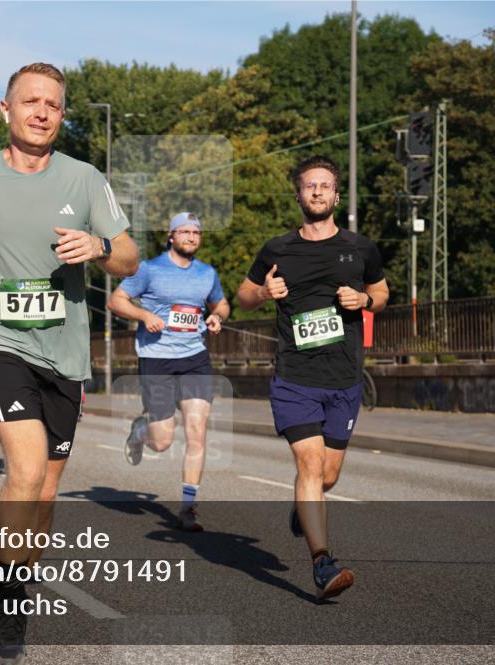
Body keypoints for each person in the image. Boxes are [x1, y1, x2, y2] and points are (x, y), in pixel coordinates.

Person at [0, 62, 137, 665]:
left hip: (65, 351)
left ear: (62, 116)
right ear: (6, 111)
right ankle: (9, 605)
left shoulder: (86, 179)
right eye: (30, 101)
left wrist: (101, 246)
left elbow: (131, 256)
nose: (42, 111)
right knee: (27, 466)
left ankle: (15, 579)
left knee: (44, 492)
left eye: (53, 104)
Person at [236, 155, 389, 600]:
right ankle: (322, 563)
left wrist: (363, 298)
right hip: (295, 377)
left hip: (344, 378)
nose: (317, 192)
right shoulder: (277, 249)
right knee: (308, 465)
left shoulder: (361, 248)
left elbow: (381, 293)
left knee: (328, 475)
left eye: (325, 186)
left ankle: (306, 508)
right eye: (309, 186)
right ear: (298, 194)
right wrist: (264, 292)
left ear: (336, 194)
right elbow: (243, 295)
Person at [109, 211, 230, 532]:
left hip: (194, 358)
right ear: (171, 236)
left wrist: (218, 316)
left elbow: (222, 303)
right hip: (157, 359)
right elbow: (116, 300)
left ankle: (188, 507)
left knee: (196, 432)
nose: (191, 237)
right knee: (162, 442)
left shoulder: (207, 273)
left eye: (196, 233)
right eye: (185, 232)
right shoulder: (148, 269)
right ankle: (139, 432)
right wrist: (143, 315)